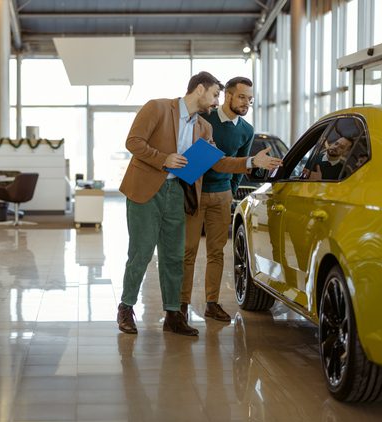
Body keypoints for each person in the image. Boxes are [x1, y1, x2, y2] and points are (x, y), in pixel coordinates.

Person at [116, 71, 282, 336]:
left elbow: (217, 161)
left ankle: (173, 315)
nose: (217, 101)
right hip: (145, 190)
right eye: (215, 94)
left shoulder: (203, 128)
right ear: (199, 90)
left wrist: (251, 162)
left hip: (177, 191)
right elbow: (133, 142)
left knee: (174, 255)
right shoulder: (157, 107)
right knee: (142, 252)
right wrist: (164, 159)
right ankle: (126, 307)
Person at [180, 76, 255, 322]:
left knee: (217, 252)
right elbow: (191, 159)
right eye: (242, 97)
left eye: (250, 99)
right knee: (188, 251)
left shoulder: (246, 130)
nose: (246, 103)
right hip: (196, 192)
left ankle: (212, 303)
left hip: (222, 196)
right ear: (228, 96)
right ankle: (181, 304)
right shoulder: (204, 119)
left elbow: (241, 166)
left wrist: (230, 191)